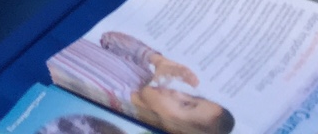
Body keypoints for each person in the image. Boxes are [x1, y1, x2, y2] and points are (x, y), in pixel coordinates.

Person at [50, 31, 235, 134]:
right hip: (48, 34)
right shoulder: (142, 75)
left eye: (185, 104)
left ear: (173, 128)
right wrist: (156, 60)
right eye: (189, 95)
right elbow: (109, 38)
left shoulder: (108, 111)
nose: (177, 92)